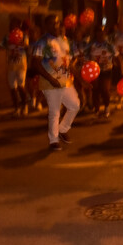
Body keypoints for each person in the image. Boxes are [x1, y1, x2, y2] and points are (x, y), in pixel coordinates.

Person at [32, 14, 80, 151]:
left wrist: (81, 80)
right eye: (52, 23)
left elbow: (69, 63)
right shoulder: (42, 42)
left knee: (75, 105)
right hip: (50, 83)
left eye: (57, 23)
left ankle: (62, 129)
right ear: (46, 26)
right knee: (54, 112)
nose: (55, 26)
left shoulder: (65, 40)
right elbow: (35, 63)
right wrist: (50, 78)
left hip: (65, 81)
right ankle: (53, 140)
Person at [0, 18, 29, 116]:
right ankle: (17, 108)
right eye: (11, 24)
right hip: (11, 66)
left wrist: (16, 42)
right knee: (12, 87)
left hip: (21, 65)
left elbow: (26, 45)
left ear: (18, 26)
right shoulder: (7, 37)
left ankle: (25, 105)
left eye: (14, 24)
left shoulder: (23, 35)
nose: (12, 26)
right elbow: (0, 46)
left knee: (20, 86)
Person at [85, 25, 119, 118]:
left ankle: (106, 107)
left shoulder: (110, 45)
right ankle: (97, 109)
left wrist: (119, 68)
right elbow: (85, 56)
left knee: (105, 89)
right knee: (95, 89)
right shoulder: (91, 45)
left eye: (102, 33)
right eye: (98, 32)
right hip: (94, 71)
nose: (100, 35)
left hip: (106, 70)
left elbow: (116, 56)